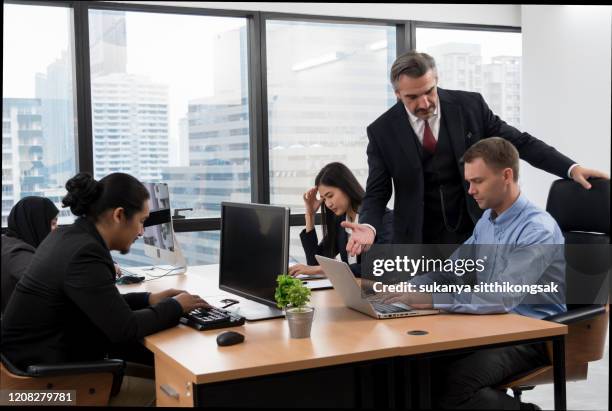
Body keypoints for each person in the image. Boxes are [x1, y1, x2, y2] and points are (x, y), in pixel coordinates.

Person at [343, 51, 608, 256]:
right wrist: (369, 227)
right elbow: (377, 192)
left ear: (436, 81)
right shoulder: (382, 131)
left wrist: (570, 168)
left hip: (472, 231)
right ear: (397, 94)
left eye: (429, 91)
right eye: (413, 97)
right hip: (416, 239)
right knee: (416, 310)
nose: (424, 103)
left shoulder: (469, 106)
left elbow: (520, 142)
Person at [377, 137, 565, 410]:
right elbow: (450, 273)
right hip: (489, 327)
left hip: (531, 336)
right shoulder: (487, 222)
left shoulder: (537, 230)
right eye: (468, 182)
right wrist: (405, 288)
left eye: (478, 181)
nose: (470, 190)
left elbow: (501, 298)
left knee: (454, 384)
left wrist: (431, 299)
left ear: (506, 175)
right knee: (414, 366)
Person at [1, 172, 209, 370]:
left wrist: (149, 299)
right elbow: (126, 329)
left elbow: (103, 306)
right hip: (45, 384)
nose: (141, 231)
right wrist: (176, 306)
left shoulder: (65, 236)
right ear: (119, 215)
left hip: (31, 365)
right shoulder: (85, 253)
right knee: (175, 386)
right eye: (141, 221)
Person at [288, 162, 393, 278]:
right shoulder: (341, 221)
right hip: (352, 290)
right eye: (324, 199)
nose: (328, 204)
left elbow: (378, 267)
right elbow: (314, 264)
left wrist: (320, 269)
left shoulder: (382, 218)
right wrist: (310, 215)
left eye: (330, 196)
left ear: (346, 187)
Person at [1, 197, 59, 312]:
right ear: (37, 224)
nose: (56, 229)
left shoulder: (7, 243)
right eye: (53, 223)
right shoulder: (20, 256)